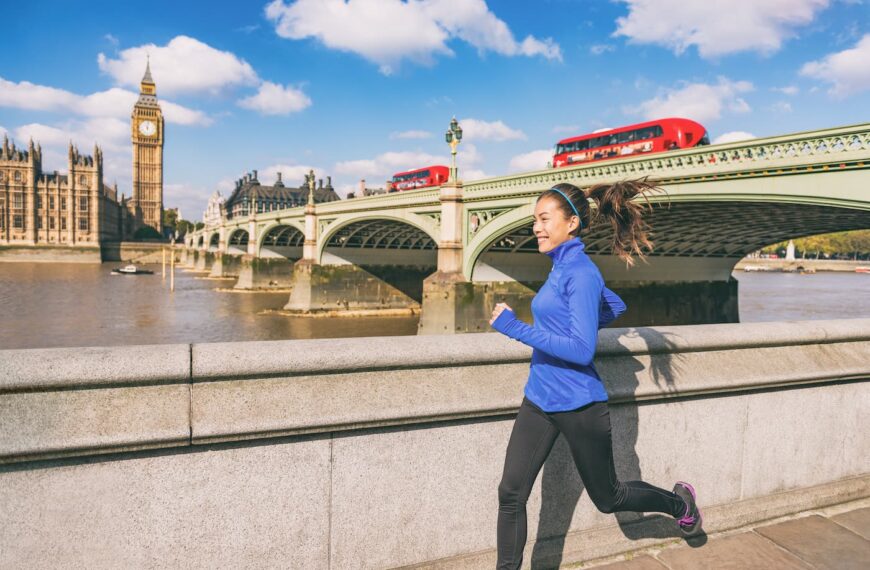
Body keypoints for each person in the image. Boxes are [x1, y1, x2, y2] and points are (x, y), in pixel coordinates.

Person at [489, 180, 702, 569]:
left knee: (609, 498)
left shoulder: (581, 273)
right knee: (511, 493)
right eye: (534, 220)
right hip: (539, 398)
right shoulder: (561, 266)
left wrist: (514, 327)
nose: (536, 227)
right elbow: (615, 305)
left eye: (544, 219)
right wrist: (581, 318)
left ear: (571, 223)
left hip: (579, 405)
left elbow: (581, 349)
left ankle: (679, 503)